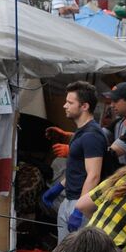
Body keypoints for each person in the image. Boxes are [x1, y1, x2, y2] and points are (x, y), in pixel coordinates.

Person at [43, 81, 105, 240]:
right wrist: (57, 188)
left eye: (70, 102)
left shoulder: (92, 135)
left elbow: (93, 175)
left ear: (84, 106)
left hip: (80, 203)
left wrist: (79, 209)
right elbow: (78, 169)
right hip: (69, 200)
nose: (65, 106)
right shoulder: (80, 132)